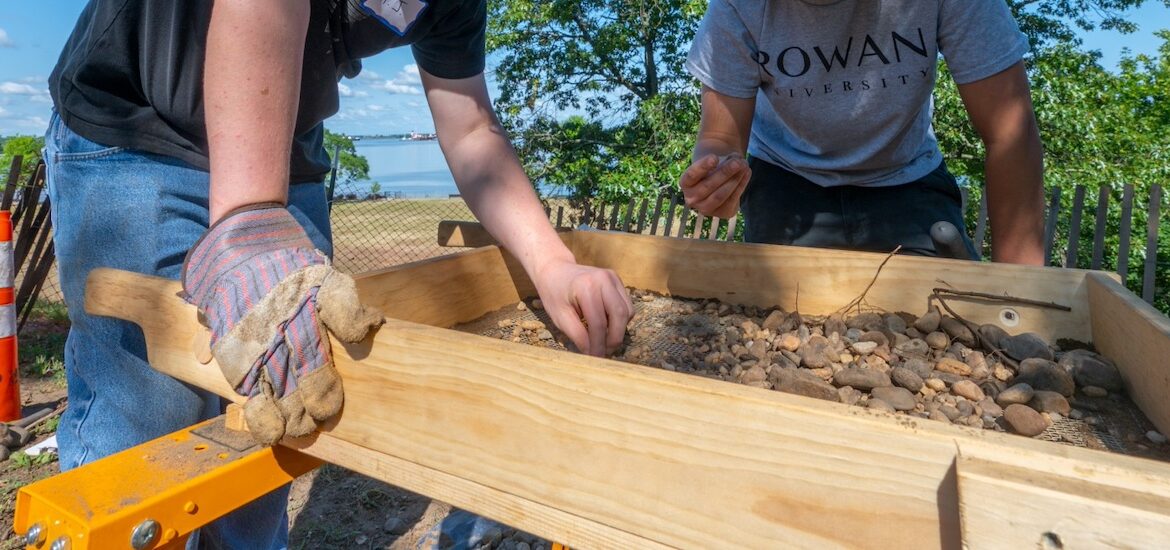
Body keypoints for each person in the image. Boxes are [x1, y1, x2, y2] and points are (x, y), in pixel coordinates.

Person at [46, 0, 633, 547]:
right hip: (135, 126)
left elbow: (471, 129)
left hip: (281, 144)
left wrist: (553, 264)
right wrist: (250, 222)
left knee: (282, 405)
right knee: (149, 416)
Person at [677, 0, 1046, 264]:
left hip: (908, 177)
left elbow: (1009, 132)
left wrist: (1019, 288)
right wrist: (718, 181)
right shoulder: (734, 8)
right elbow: (721, 140)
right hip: (785, 179)